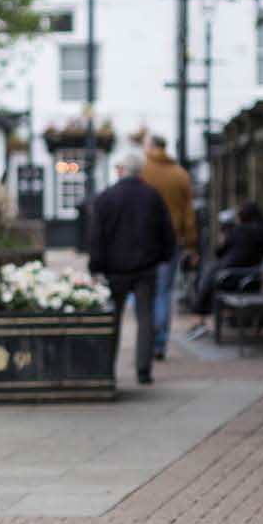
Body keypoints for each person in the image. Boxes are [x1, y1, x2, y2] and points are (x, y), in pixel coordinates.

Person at [86, 144, 175, 387]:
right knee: (145, 319)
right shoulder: (152, 196)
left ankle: (108, 370)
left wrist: (95, 267)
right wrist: (164, 256)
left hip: (115, 271)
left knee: (112, 320)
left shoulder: (106, 198)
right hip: (146, 268)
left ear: (121, 169)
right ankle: (143, 370)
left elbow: (96, 237)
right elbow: (166, 231)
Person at [138, 135, 196, 363]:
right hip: (172, 240)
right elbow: (189, 214)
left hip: (143, 241)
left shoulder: (142, 170)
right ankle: (160, 342)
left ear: (151, 147)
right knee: (164, 292)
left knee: (144, 292)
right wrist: (191, 243)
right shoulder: (180, 174)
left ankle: (148, 339)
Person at [186, 202, 263, 339]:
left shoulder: (238, 231)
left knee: (207, 273)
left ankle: (199, 320)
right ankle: (199, 320)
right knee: (208, 273)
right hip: (251, 278)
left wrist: (225, 238)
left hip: (231, 278)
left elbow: (219, 252)